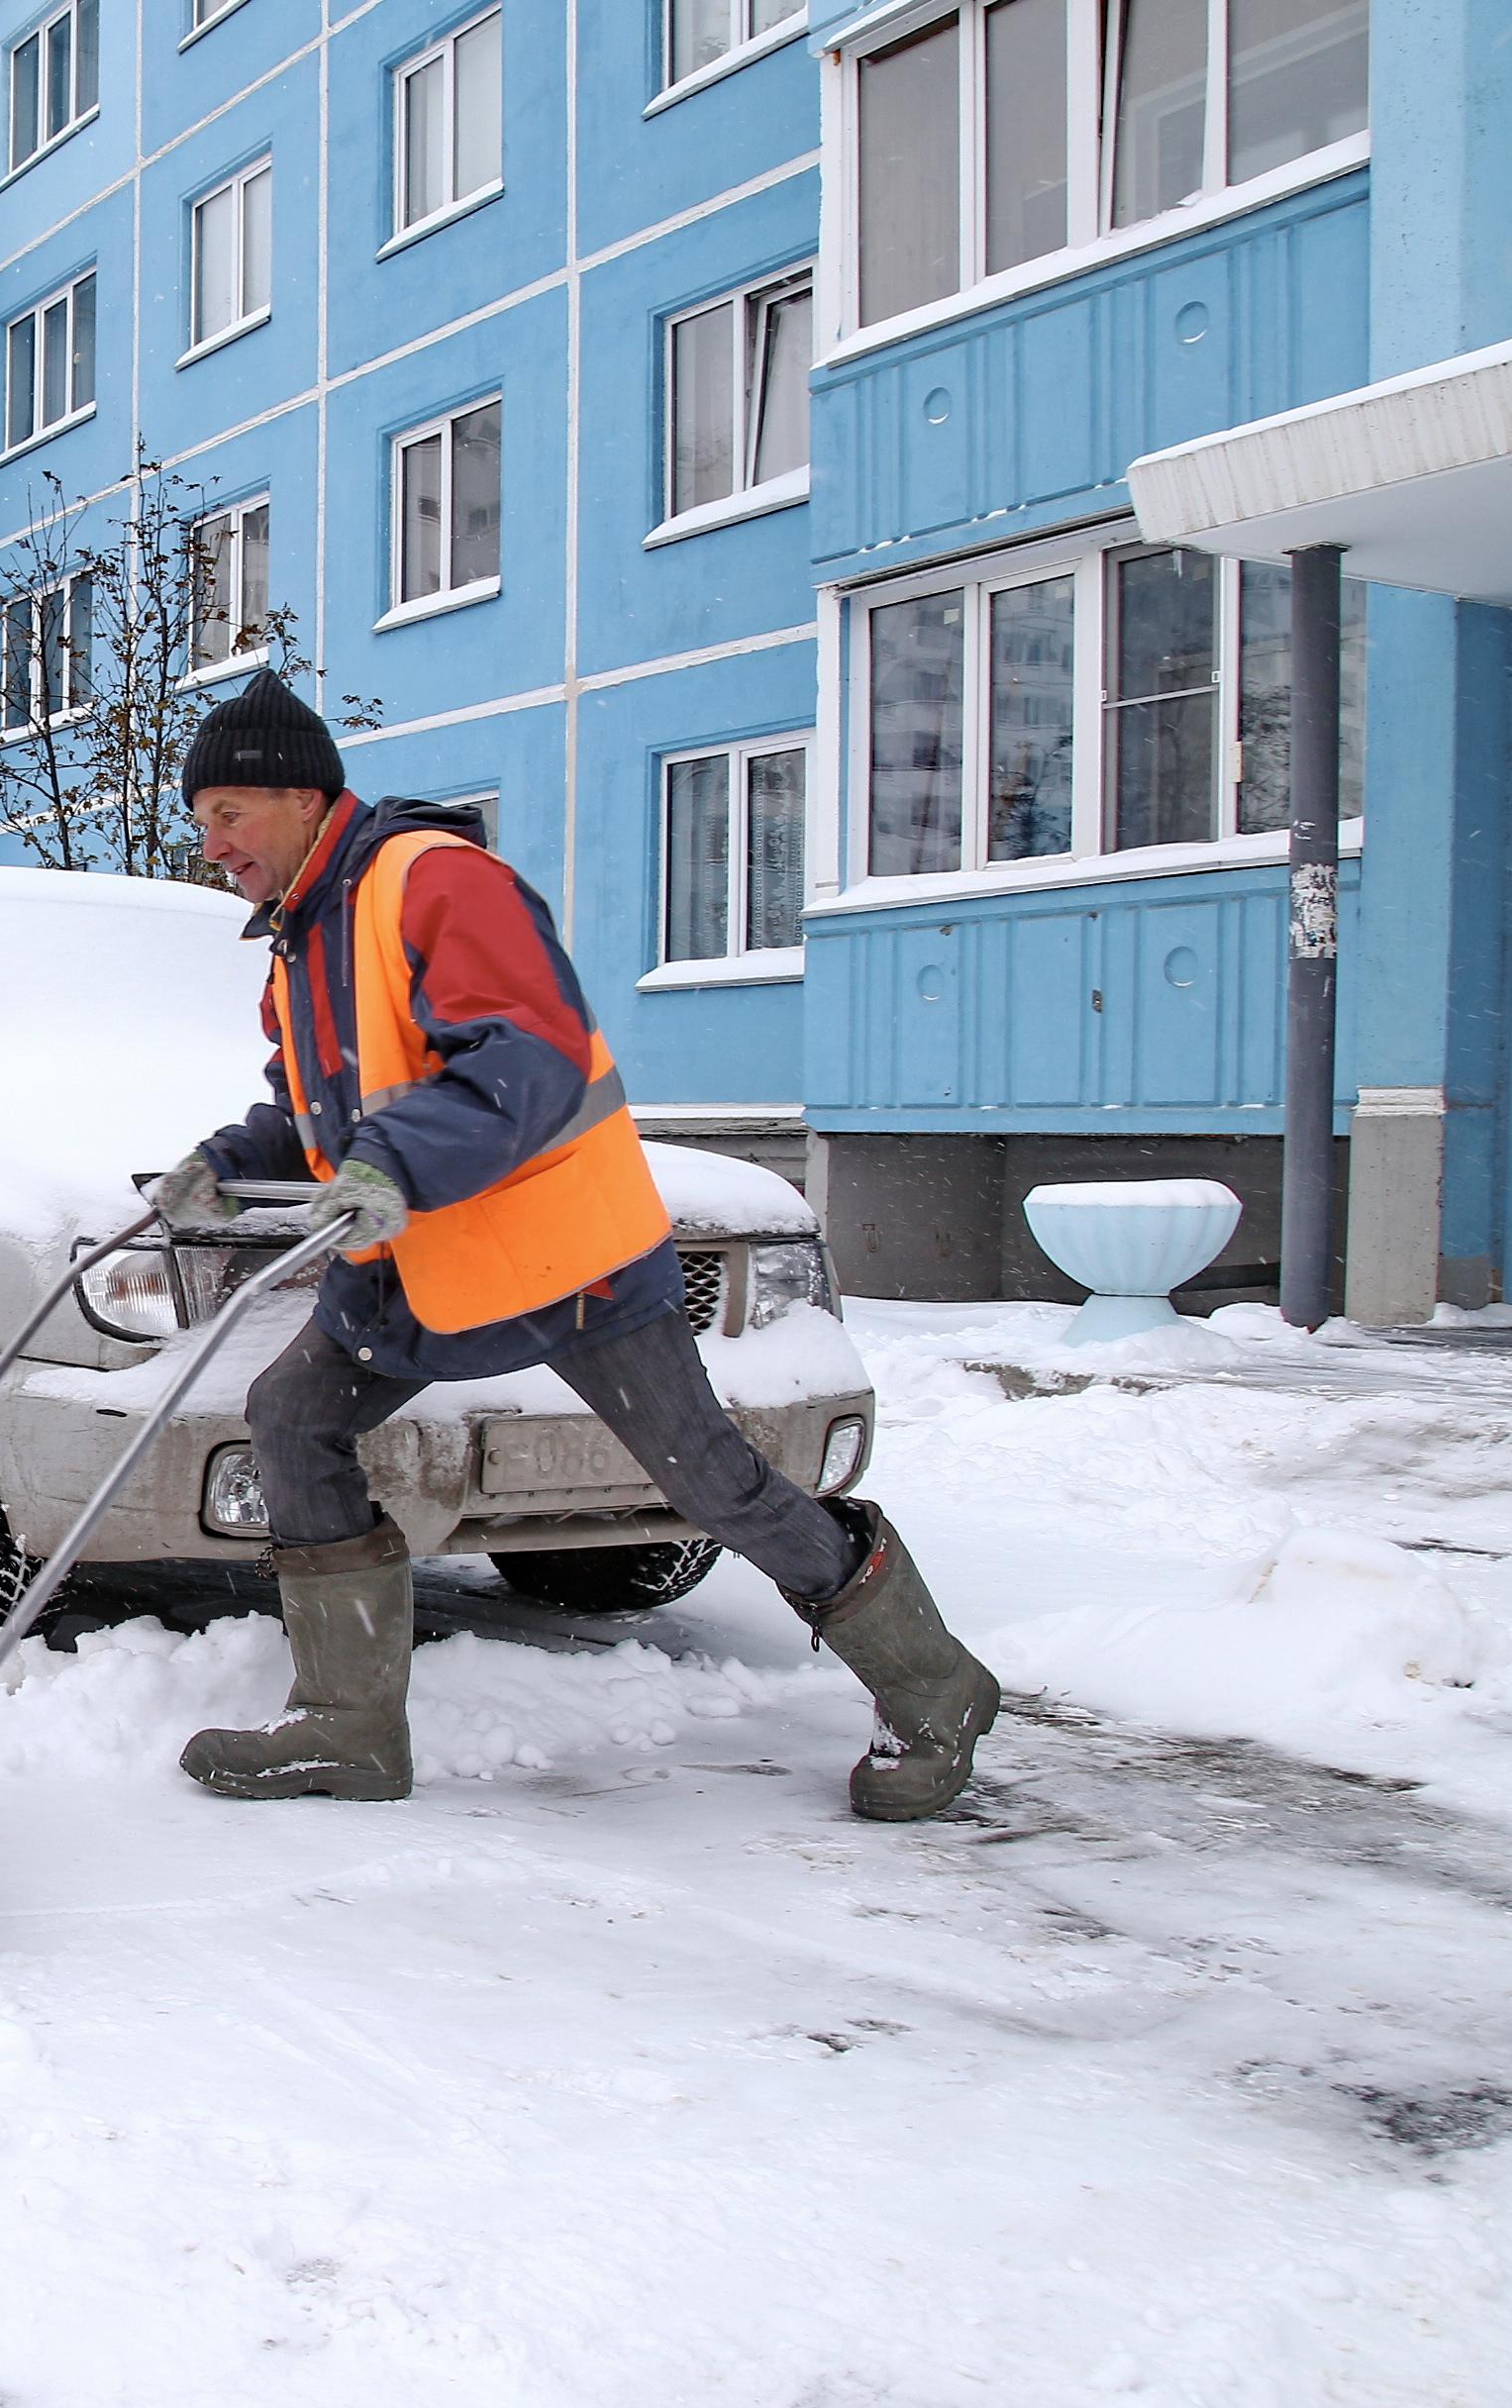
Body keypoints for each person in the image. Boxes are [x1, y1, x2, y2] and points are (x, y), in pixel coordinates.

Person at [150, 670, 1000, 1820]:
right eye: (204, 821)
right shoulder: (304, 936)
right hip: (421, 1261)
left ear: (302, 798)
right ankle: (346, 1726)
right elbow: (322, 1107)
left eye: (227, 815)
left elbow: (527, 1056)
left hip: (567, 1256)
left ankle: (934, 1683)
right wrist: (226, 1159)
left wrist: (389, 1160)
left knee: (715, 1481)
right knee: (294, 1414)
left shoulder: (435, 882)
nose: (213, 845)